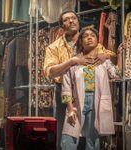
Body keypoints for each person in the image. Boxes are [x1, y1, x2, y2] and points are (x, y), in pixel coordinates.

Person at [44, 10, 115, 150]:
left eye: (73, 18)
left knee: (91, 131)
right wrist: (71, 61)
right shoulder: (54, 47)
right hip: (64, 92)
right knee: (66, 133)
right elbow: (50, 72)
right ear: (61, 26)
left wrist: (106, 56)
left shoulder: (88, 38)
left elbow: (109, 57)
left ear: (78, 21)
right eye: (66, 19)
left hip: (90, 91)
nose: (71, 21)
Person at [60, 27, 123, 150]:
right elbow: (66, 87)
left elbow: (117, 74)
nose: (89, 38)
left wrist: (120, 55)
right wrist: (70, 108)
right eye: (85, 36)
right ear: (81, 42)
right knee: (69, 136)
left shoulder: (103, 61)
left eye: (92, 36)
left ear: (97, 41)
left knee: (93, 137)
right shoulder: (74, 61)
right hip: (77, 101)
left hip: (97, 100)